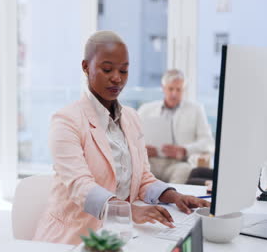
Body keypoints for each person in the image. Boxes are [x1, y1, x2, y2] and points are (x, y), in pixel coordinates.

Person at [32, 31, 209, 245]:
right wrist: (127, 210)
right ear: (86, 67)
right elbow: (80, 185)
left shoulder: (132, 118)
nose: (117, 77)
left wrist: (174, 196)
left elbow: (143, 178)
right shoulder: (65, 121)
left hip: (121, 235)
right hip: (74, 238)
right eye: (107, 69)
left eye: (124, 71)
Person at [137, 69, 215, 183]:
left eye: (178, 90)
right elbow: (132, 138)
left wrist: (184, 150)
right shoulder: (146, 109)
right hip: (150, 162)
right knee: (136, 168)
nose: (174, 93)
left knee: (184, 170)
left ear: (184, 90)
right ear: (163, 88)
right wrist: (141, 149)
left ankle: (174, 200)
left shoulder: (196, 110)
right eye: (170, 89)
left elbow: (208, 143)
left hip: (177, 164)